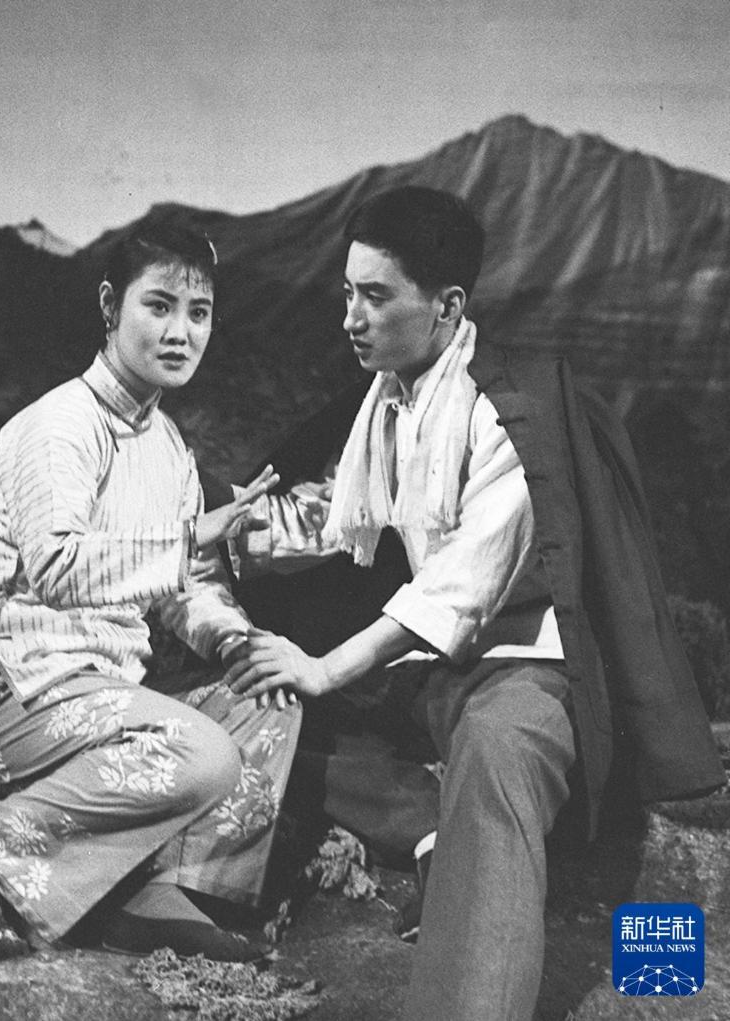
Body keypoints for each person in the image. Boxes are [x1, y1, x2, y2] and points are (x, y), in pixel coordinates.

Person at [224, 186, 724, 1019]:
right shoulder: (391, 400)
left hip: (533, 673)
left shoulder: (508, 414)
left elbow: (461, 580)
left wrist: (327, 666)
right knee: (269, 726)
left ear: (448, 306)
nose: (351, 317)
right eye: (347, 292)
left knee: (494, 748)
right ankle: (431, 823)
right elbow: (344, 513)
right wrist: (231, 535)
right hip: (437, 677)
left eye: (375, 296)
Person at [0, 219, 301, 963]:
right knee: (204, 754)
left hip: (105, 695)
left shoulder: (168, 445)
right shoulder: (56, 425)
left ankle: (152, 890)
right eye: (158, 306)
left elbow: (183, 588)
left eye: (198, 313)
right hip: (22, 691)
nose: (180, 332)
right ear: (109, 305)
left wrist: (235, 640)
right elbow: (58, 568)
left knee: (270, 698)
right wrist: (189, 538)